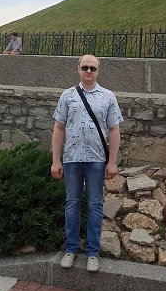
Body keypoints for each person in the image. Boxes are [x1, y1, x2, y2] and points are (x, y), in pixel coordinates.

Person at [51, 54, 123, 272]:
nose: (89, 71)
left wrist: (112, 162)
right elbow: (59, 128)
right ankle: (71, 249)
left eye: (92, 68)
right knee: (72, 203)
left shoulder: (108, 97)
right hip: (72, 159)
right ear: (78, 69)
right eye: (85, 67)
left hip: (96, 160)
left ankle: (92, 252)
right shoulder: (67, 96)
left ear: (98, 70)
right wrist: (55, 160)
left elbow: (114, 130)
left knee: (95, 204)